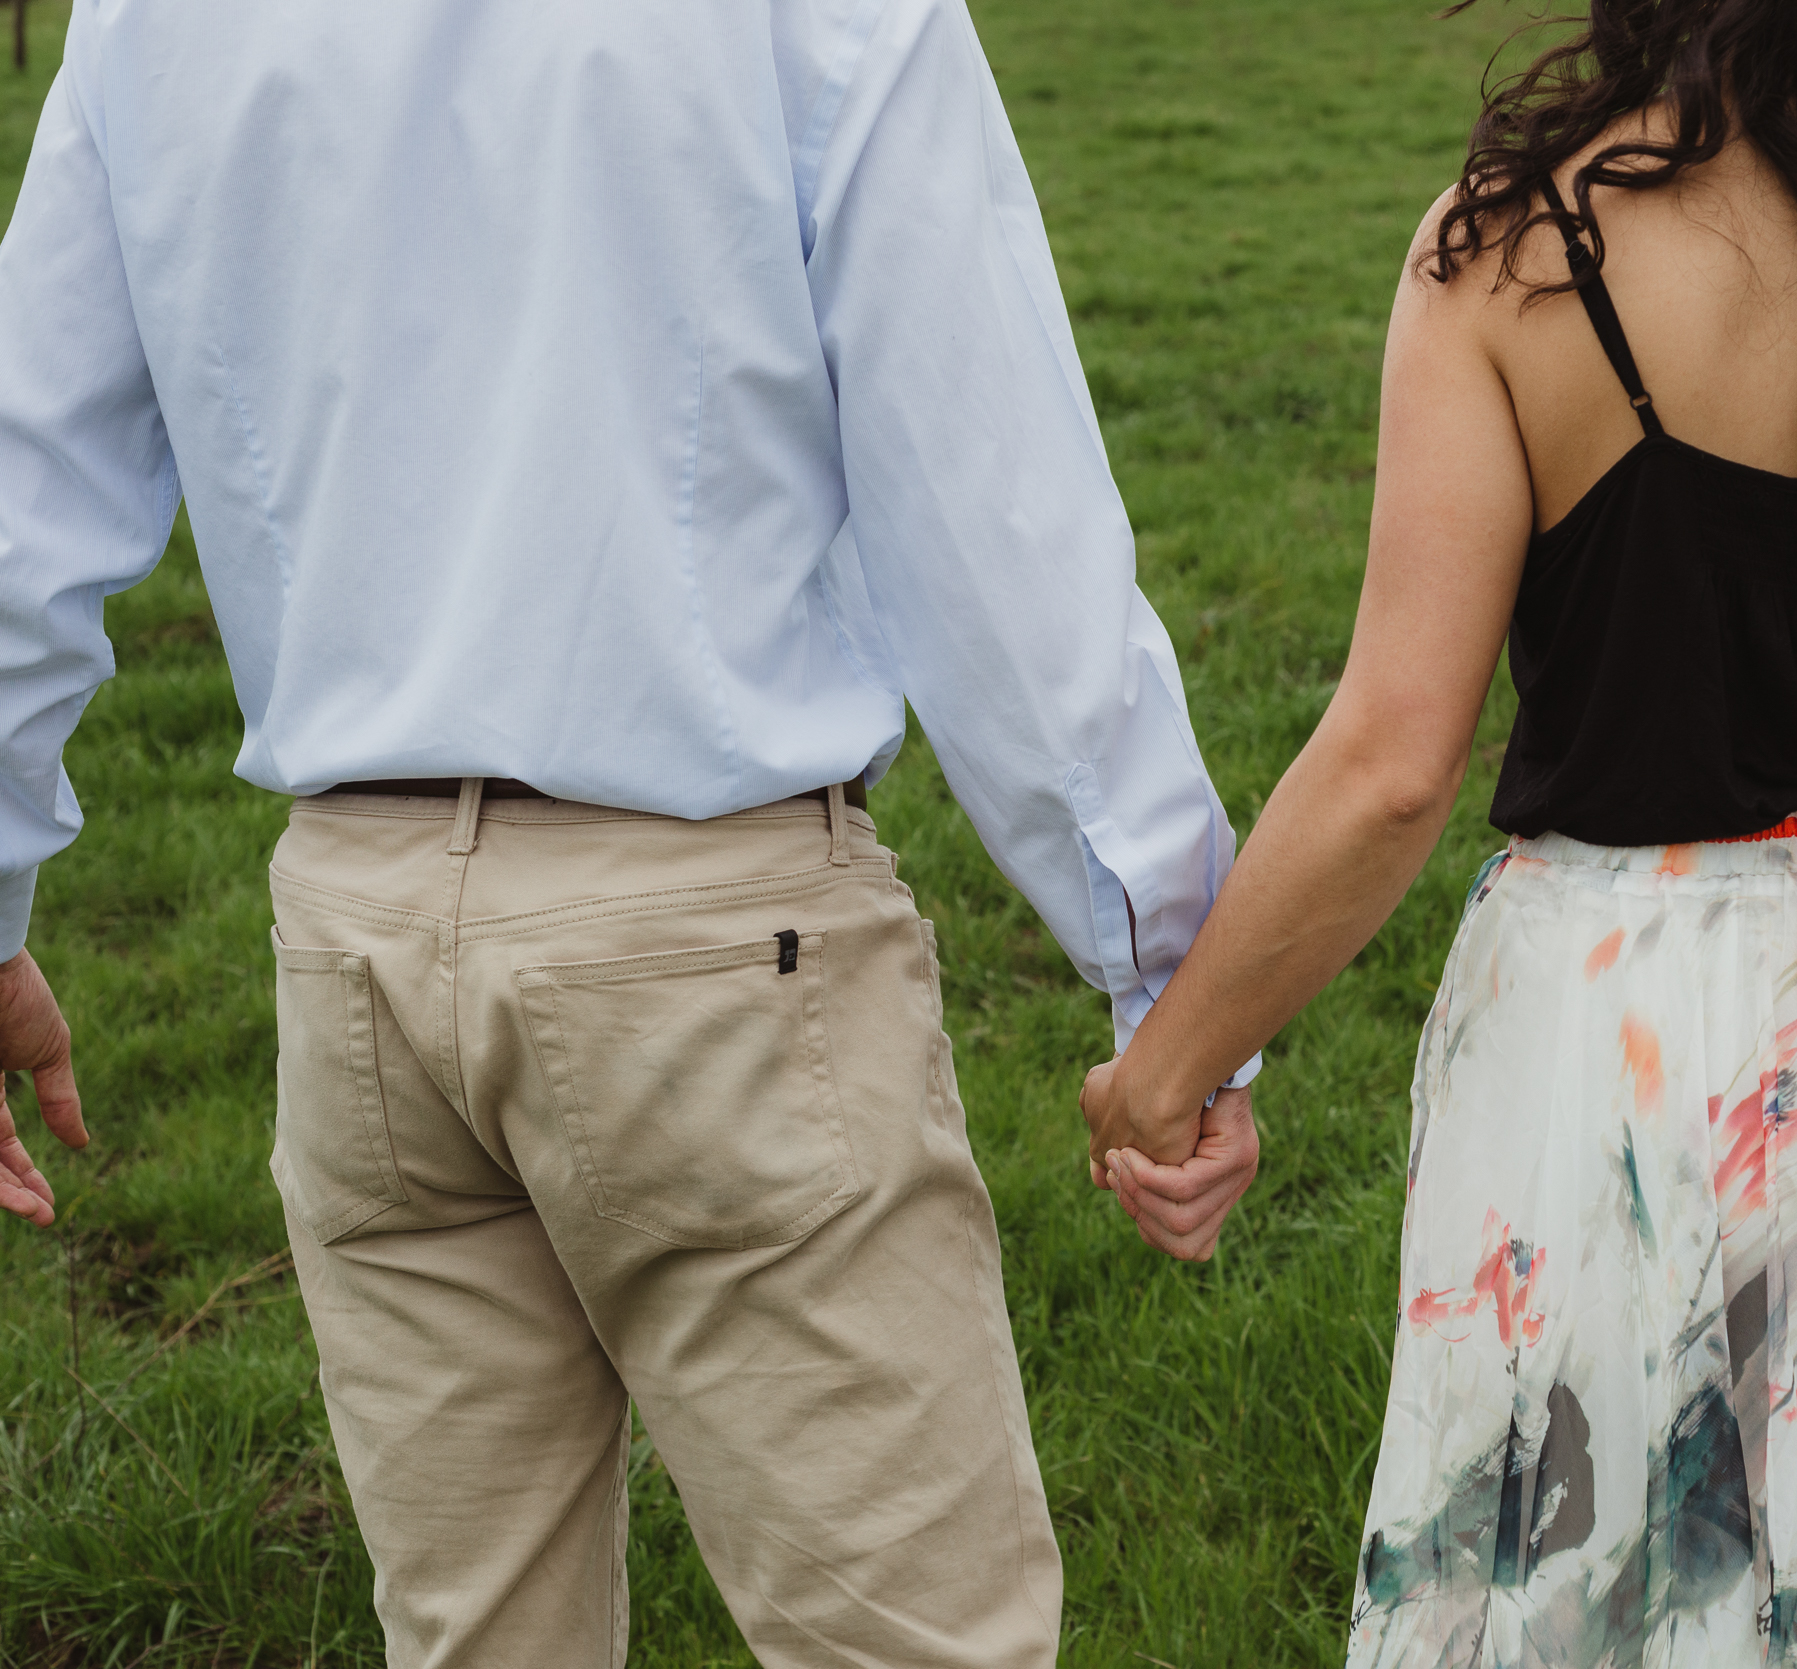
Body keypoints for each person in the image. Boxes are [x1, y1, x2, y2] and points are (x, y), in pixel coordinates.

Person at [0, 0, 1258, 1662]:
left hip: (358, 945)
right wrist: (1178, 984)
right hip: (717, 938)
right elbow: (996, 512)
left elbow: (24, 490)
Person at [1082, 0, 1797, 1660]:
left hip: (1608, 1054)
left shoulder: (1517, 251)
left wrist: (1167, 1070)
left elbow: (1390, 766)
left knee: (1608, 1577)